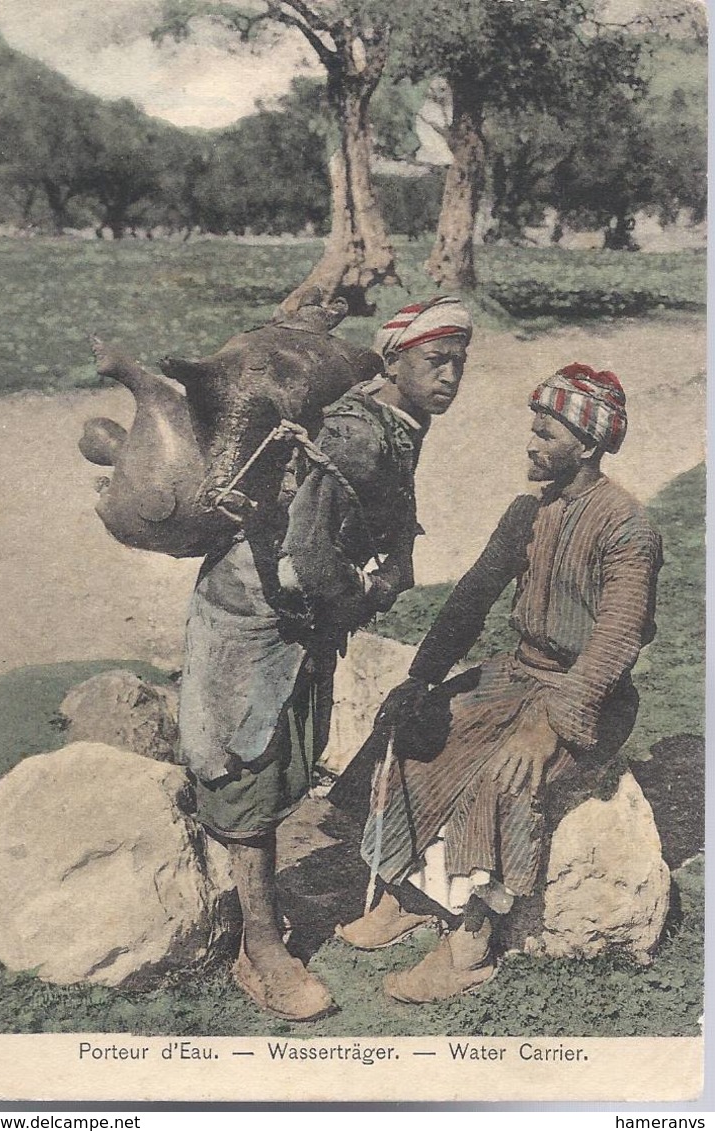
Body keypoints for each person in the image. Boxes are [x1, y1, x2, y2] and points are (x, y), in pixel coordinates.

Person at [177, 296, 473, 1021]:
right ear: (394, 359)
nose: (451, 374)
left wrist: (396, 557)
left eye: (461, 361)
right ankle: (259, 947)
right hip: (251, 612)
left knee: (285, 762)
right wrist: (366, 597)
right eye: (437, 360)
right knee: (249, 763)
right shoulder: (356, 434)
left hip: (294, 615)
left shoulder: (400, 422)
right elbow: (306, 551)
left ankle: (257, 905)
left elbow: (387, 508)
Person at [338, 363, 663, 1003]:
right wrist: (421, 677)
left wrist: (548, 728)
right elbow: (471, 600)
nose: (531, 443)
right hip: (516, 677)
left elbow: (616, 640)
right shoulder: (527, 513)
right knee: (421, 730)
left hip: (587, 699)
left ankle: (469, 946)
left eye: (547, 433)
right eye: (533, 430)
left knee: (506, 775)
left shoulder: (630, 528)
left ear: (588, 446)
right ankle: (411, 894)